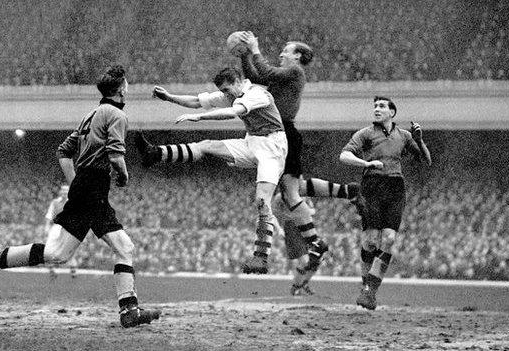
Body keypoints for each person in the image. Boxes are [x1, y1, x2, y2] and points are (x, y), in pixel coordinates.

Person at [0, 65, 161, 328]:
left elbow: (63, 151)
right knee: (124, 248)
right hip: (94, 187)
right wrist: (124, 176)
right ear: (122, 88)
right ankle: (128, 310)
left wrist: (76, 183)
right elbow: (116, 156)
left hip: (86, 187)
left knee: (58, 253)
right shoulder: (117, 115)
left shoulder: (90, 115)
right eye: (127, 84)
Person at [236, 31, 356, 293]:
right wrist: (244, 56)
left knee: (289, 194)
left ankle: (311, 243)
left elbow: (265, 73)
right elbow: (256, 78)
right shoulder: (285, 76)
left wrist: (254, 48)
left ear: (298, 56)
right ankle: (319, 237)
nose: (281, 53)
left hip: (285, 133)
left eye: (286, 50)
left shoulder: (295, 73)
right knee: (289, 191)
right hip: (278, 134)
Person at [138, 67, 286, 274]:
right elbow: (197, 102)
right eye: (223, 92)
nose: (225, 95)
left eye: (227, 90)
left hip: (273, 147)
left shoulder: (257, 94)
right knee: (206, 144)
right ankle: (155, 153)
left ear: (238, 81)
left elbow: (233, 112)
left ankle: (261, 258)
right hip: (252, 142)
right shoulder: (233, 93)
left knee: (262, 200)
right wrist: (169, 97)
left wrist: (199, 118)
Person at [339, 96, 431, 310]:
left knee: (389, 238)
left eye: (381, 106)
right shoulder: (365, 133)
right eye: (375, 107)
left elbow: (426, 161)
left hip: (395, 187)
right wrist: (366, 162)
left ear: (392, 112)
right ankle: (366, 286)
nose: (377, 110)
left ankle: (370, 291)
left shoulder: (404, 136)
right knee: (371, 240)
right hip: (372, 185)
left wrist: (419, 140)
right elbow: (344, 155)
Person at [44, 184, 77, 279]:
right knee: (50, 247)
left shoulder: (73, 202)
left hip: (68, 227)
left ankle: (73, 270)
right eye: (63, 190)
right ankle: (52, 270)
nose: (64, 192)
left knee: (69, 248)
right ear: (60, 192)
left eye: (66, 191)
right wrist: (47, 227)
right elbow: (49, 215)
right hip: (56, 227)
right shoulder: (55, 202)